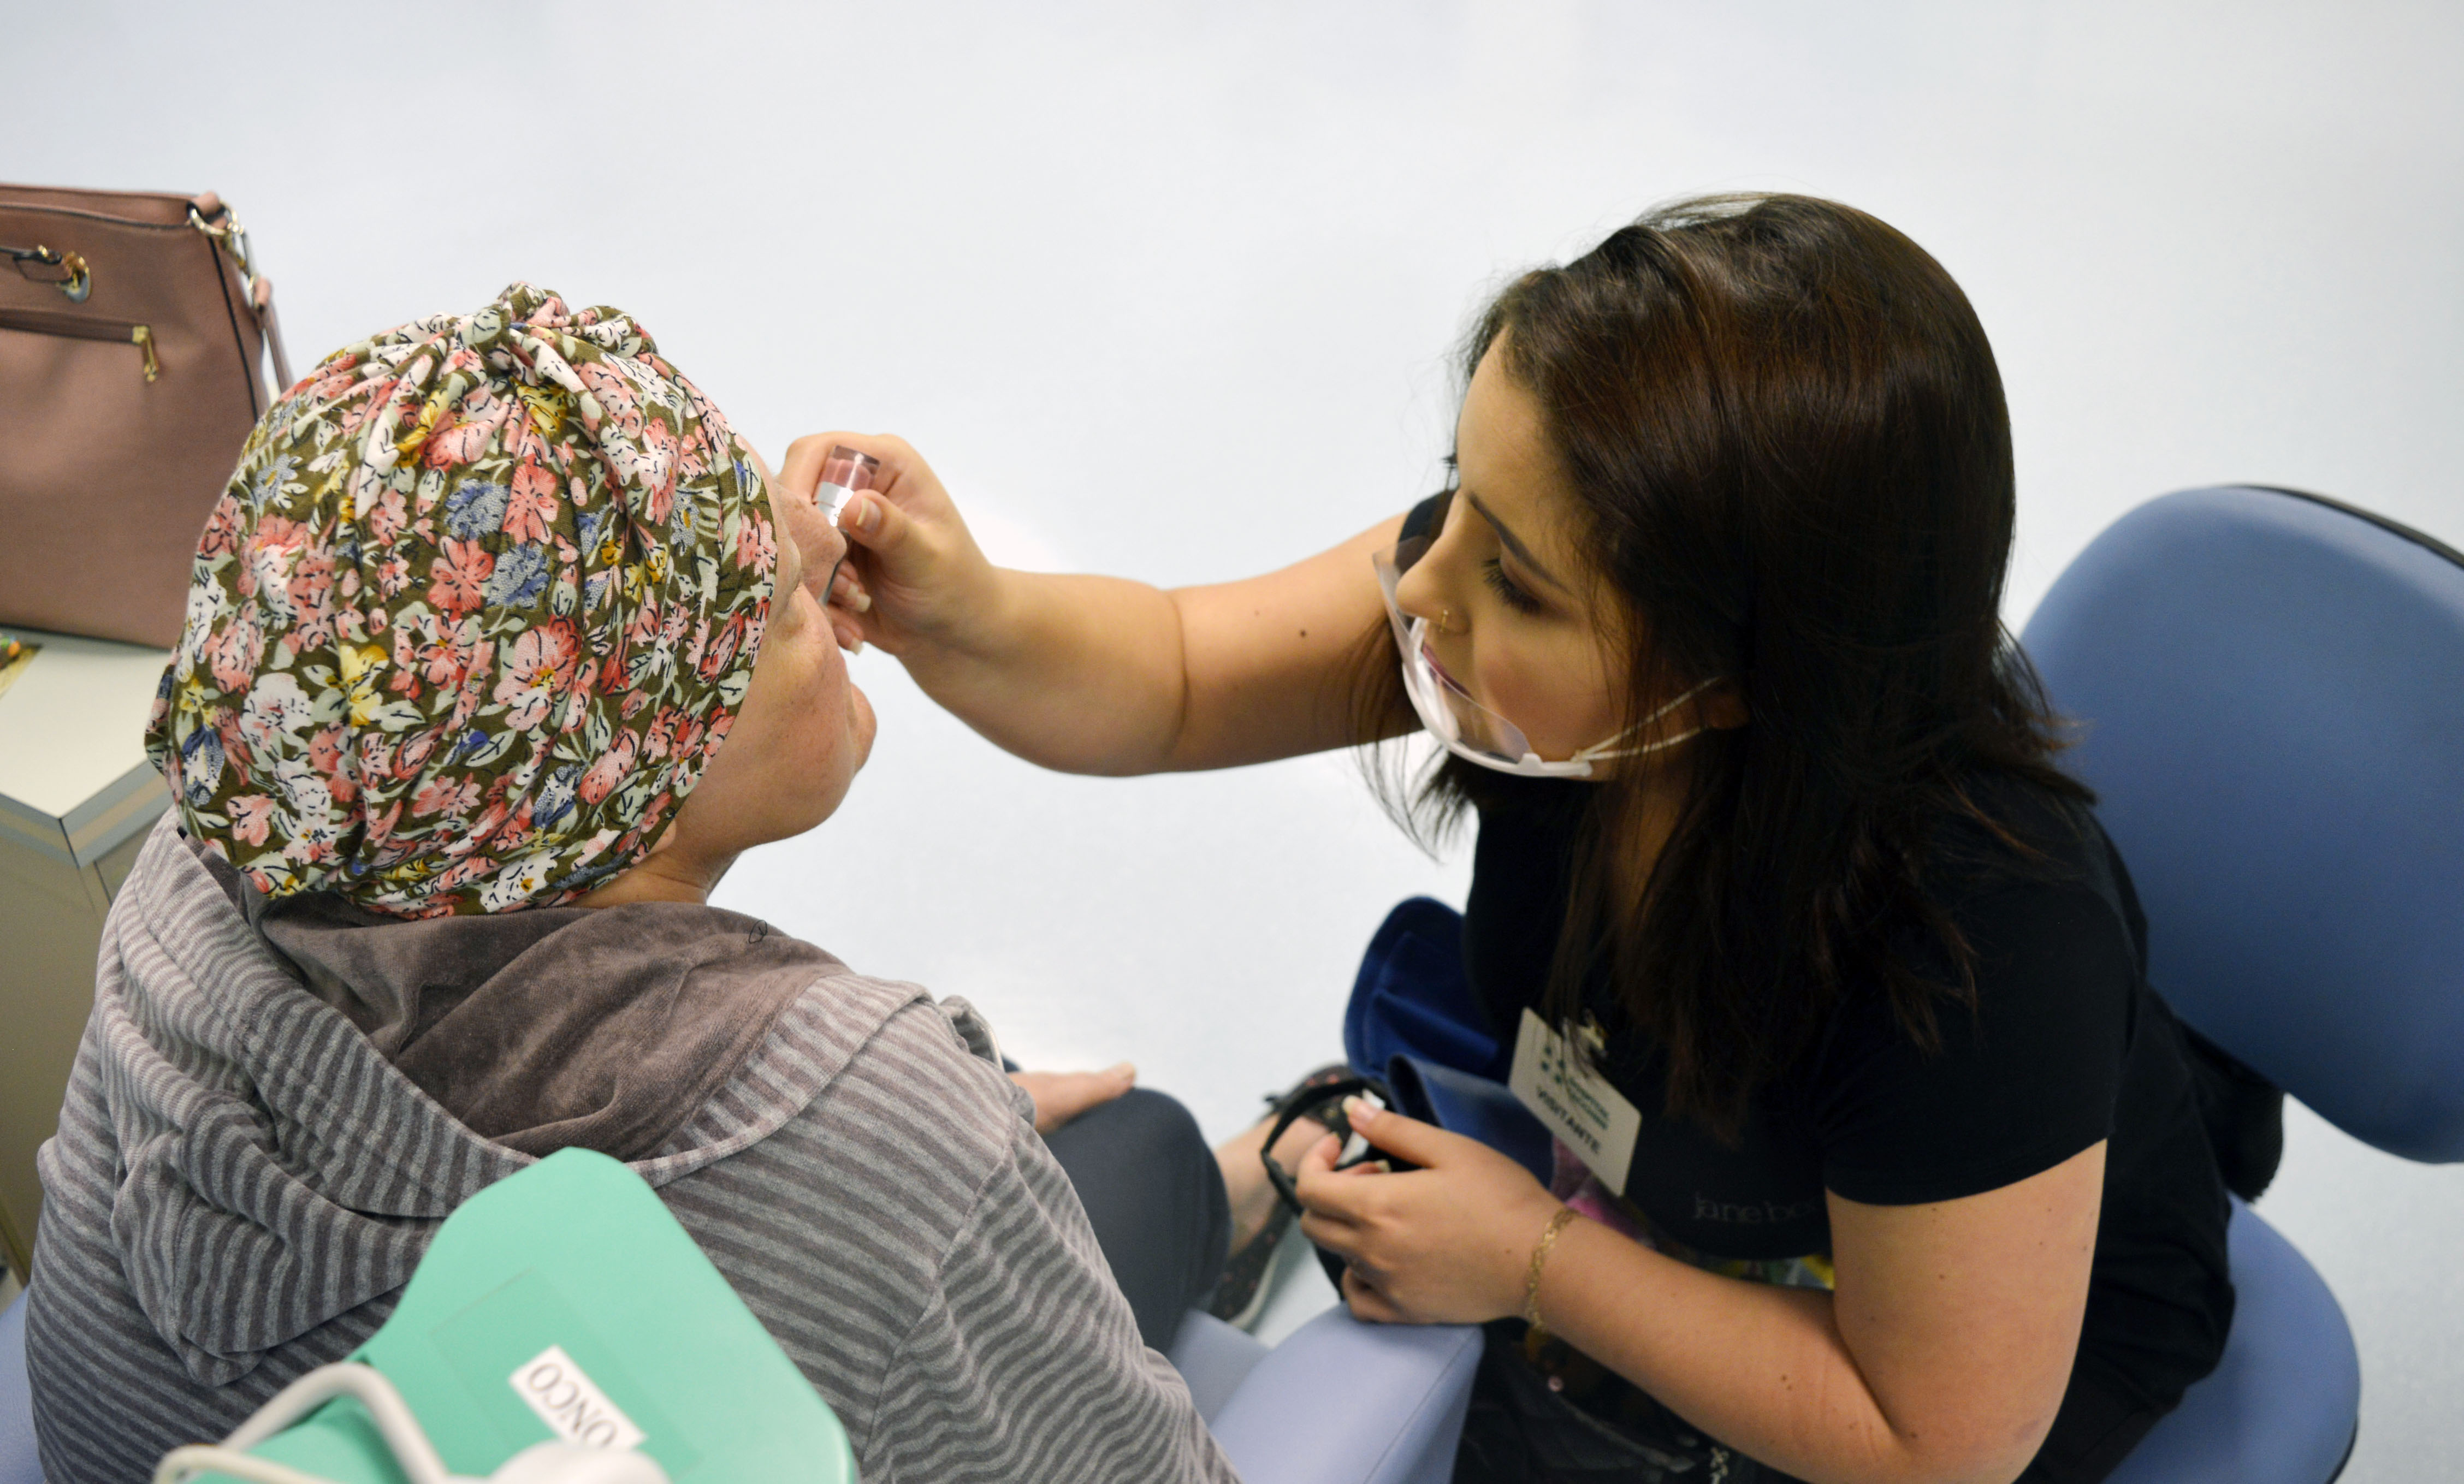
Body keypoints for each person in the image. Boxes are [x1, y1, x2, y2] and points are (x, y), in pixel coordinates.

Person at [785, 195, 2236, 1483]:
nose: (1422, 586)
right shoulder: (1550, 613)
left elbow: (1929, 1434)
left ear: (1733, 680)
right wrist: (962, 612)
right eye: (1458, 493)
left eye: (1519, 585)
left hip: (1941, 1354)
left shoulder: (1977, 950)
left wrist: (1539, 1262)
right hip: (1664, 1169)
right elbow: (1172, 676)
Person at [25, 284, 1235, 1484]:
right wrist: (933, 1152)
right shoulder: (882, 1123)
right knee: (1152, 1146)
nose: (824, 546)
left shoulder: (215, 852)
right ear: (635, 773)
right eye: (775, 597)